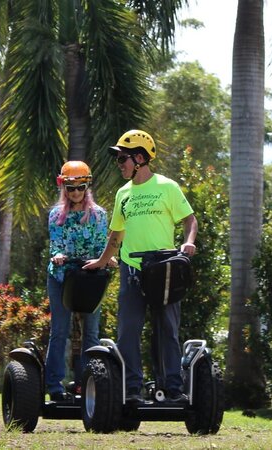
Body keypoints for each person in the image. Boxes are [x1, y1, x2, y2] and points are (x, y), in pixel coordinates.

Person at [84, 130, 198, 403]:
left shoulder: (167, 187)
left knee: (168, 330)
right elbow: (116, 235)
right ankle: (132, 389)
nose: (119, 164)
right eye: (118, 159)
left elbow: (190, 220)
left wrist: (189, 242)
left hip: (164, 270)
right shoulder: (123, 194)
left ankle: (173, 389)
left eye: (122, 158)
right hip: (132, 270)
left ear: (139, 158)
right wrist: (101, 261)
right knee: (128, 330)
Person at [45, 161, 113, 401]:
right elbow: (57, 244)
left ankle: (89, 384)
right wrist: (59, 255)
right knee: (59, 331)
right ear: (63, 187)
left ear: (87, 187)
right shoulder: (56, 215)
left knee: (91, 333)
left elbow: (100, 245)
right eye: (71, 188)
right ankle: (54, 385)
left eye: (80, 188)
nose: (75, 193)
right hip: (62, 277)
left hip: (90, 277)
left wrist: (107, 258)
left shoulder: (98, 215)